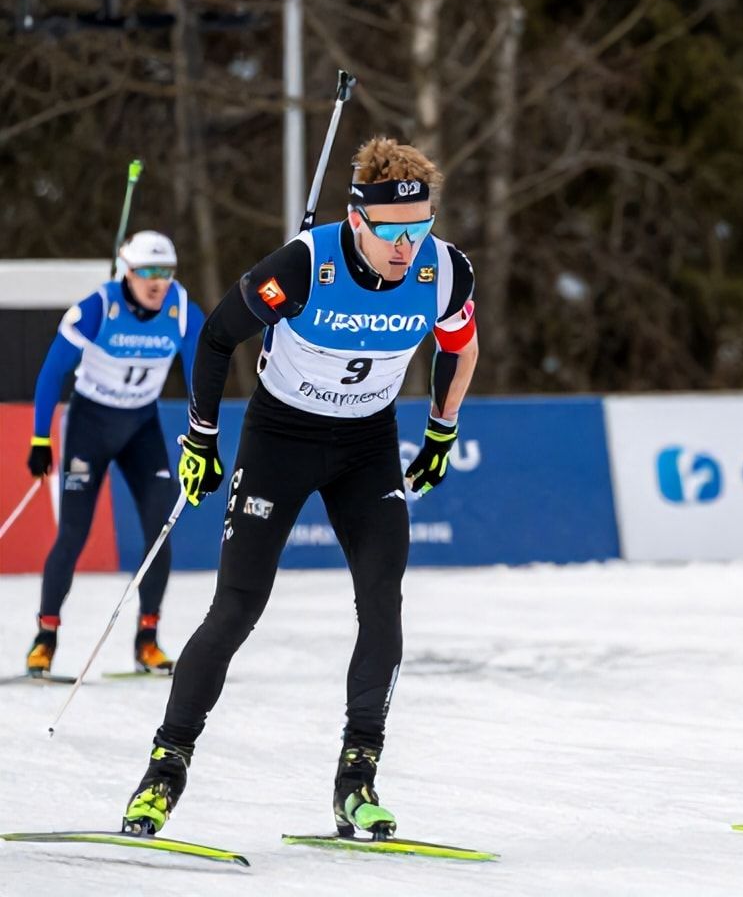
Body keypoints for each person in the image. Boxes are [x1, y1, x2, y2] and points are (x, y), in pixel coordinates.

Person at [122, 137, 479, 840]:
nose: (407, 248)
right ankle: (164, 771)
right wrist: (200, 437)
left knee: (383, 601)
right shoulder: (303, 265)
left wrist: (441, 428)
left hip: (366, 447)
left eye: (419, 228)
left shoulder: (444, 271)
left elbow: (459, 347)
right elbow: (218, 338)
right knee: (236, 609)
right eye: (391, 233)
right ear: (357, 222)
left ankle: (358, 780)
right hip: (280, 440)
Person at [25, 230, 201, 677]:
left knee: (160, 530)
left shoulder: (181, 311)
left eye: (165, 272)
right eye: (148, 273)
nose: (158, 282)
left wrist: (205, 434)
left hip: (141, 427)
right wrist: (40, 438)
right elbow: (50, 372)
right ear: (128, 272)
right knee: (74, 534)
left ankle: (148, 639)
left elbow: (205, 369)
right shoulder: (98, 307)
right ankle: (45, 637)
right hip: (90, 426)